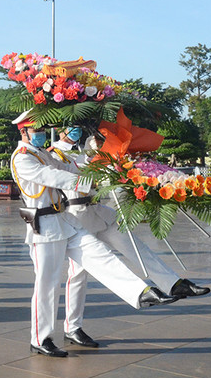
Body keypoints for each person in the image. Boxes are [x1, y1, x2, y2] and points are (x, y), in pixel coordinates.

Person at [10, 111, 178, 358]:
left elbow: (70, 167)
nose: (42, 133)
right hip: (43, 227)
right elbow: (53, 177)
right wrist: (88, 183)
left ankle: (140, 293)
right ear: (23, 131)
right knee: (47, 285)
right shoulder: (22, 158)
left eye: (43, 129)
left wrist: (109, 170)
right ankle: (40, 338)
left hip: (64, 220)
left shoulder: (42, 153)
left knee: (99, 254)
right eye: (37, 130)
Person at [51, 126, 211, 349]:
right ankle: (73, 327)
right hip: (77, 216)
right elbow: (73, 176)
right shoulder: (54, 153)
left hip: (99, 211)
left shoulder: (86, 147)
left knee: (136, 246)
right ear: (59, 129)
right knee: (78, 275)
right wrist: (94, 156)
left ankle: (173, 284)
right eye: (71, 127)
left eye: (79, 127)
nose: (76, 130)